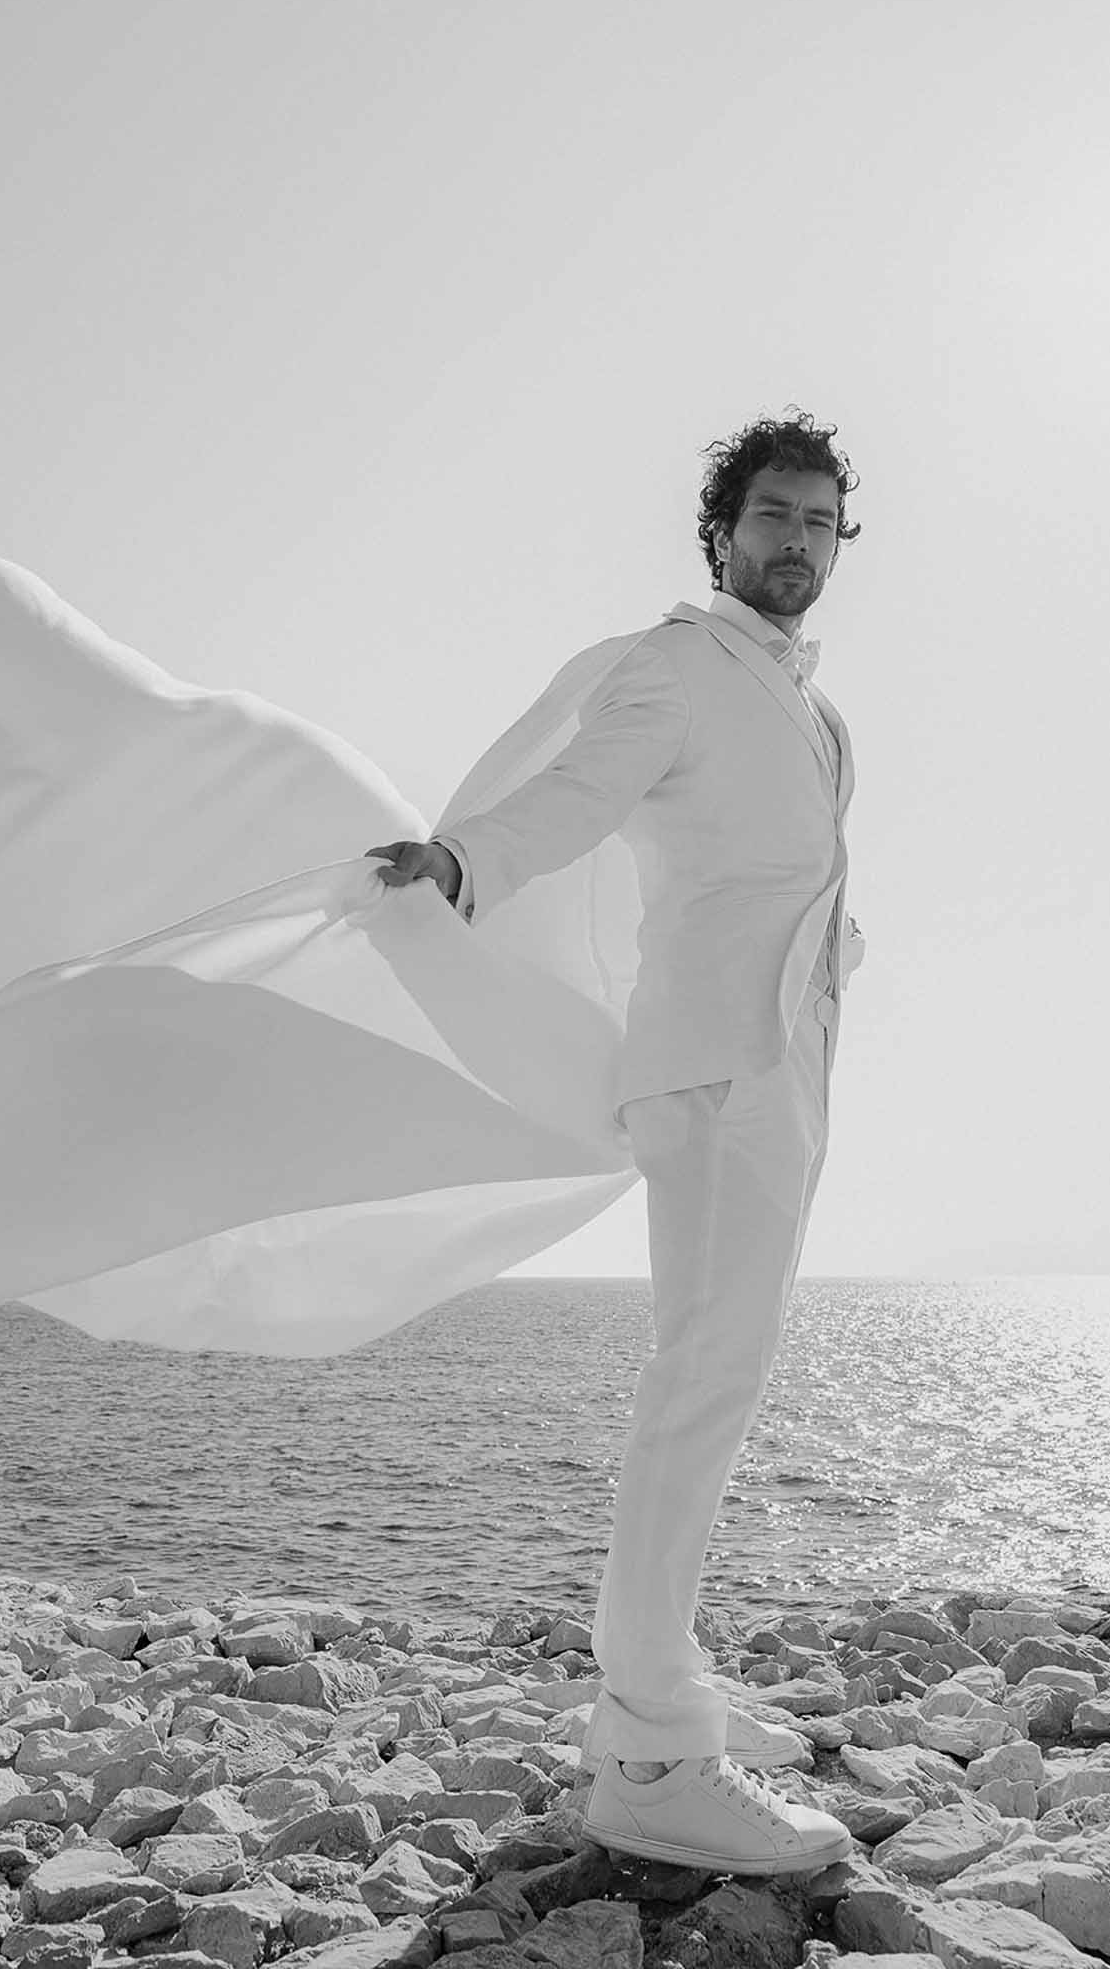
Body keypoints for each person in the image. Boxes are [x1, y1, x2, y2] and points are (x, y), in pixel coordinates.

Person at [364, 410, 865, 1876]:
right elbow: (579, 795)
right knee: (702, 1378)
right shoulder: (678, 664)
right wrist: (467, 861)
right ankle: (650, 1755)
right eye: (771, 515)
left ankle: (666, 1678)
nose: (795, 541)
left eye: (818, 521)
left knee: (725, 1369)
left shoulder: (816, 708)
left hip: (783, 1062)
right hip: (710, 1068)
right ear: (722, 532)